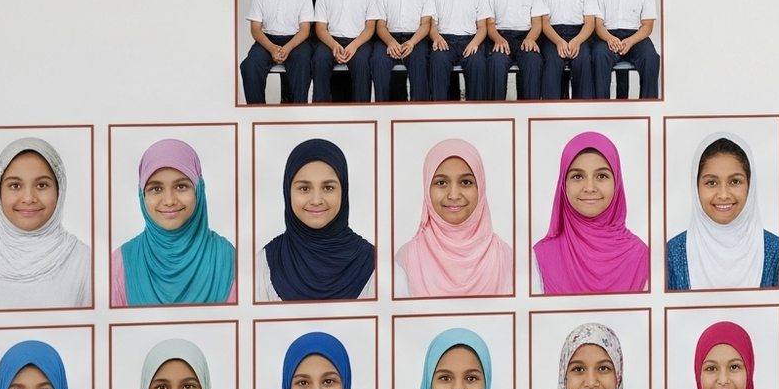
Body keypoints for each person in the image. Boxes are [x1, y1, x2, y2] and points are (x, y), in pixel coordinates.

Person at [0, 136, 91, 309]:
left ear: (59, 190)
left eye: (41, 185)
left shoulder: (85, 262)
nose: (28, 198)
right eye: (15, 186)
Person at [114, 138, 238, 306]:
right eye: (156, 189)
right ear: (142, 195)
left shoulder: (228, 259)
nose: (169, 201)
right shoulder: (120, 264)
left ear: (198, 190)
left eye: (181, 187)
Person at [530, 131, 646, 294]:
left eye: (601, 176)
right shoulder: (540, 257)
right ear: (563, 184)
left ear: (617, 182)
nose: (590, 188)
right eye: (577, 176)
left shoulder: (641, 256)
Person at [261, 138, 375, 303]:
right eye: (304, 188)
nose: (316, 200)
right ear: (288, 191)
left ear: (343, 191)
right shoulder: (263, 264)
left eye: (328, 188)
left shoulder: (376, 266)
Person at [395, 138, 511, 298]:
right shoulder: (407, 259)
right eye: (441, 183)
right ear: (427, 188)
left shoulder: (505, 258)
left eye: (466, 182)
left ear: (481, 187)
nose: (454, 195)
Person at [666, 135, 779, 291]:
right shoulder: (673, 254)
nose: (723, 195)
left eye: (735, 181)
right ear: (696, 187)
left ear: (750, 186)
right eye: (711, 183)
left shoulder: (776, 251)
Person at [243, 0, 322, 106]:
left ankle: (298, 109)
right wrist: (272, 48)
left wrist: (286, 48)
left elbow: (305, 30)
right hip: (267, 40)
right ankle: (257, 112)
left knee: (303, 62)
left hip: (296, 40)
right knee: (250, 65)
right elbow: (256, 29)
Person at [309, 0, 382, 105]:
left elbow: (370, 27)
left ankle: (361, 111)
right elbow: (321, 28)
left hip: (359, 42)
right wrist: (334, 45)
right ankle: (320, 110)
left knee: (362, 62)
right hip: (331, 41)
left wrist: (354, 45)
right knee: (319, 59)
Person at [533, 0, 603, 102]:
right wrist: (558, 41)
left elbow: (590, 23)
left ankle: (583, 109)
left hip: (580, 34)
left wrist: (577, 41)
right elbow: (544, 22)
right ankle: (551, 110)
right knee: (552, 60)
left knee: (583, 59)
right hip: (552, 35)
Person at [422, 0, 489, 103]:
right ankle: (440, 112)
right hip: (444, 40)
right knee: (437, 61)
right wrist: (436, 37)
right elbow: (431, 24)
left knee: (477, 63)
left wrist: (475, 43)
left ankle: (477, 112)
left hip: (470, 39)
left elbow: (482, 26)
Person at [373, 0, 437, 103]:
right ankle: (381, 108)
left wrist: (412, 42)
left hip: (416, 38)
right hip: (388, 37)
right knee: (378, 60)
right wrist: (390, 42)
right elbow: (380, 26)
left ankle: (419, 110)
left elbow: (426, 24)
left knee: (419, 60)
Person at [594, 0, 659, 100]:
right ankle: (601, 107)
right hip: (607, 36)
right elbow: (598, 24)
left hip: (636, 37)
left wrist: (630, 41)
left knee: (651, 58)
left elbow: (647, 26)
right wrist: (609, 38)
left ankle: (648, 106)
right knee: (598, 55)